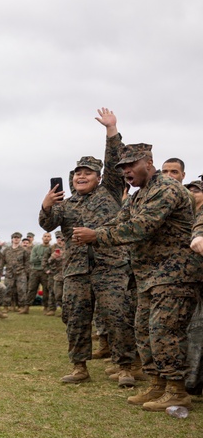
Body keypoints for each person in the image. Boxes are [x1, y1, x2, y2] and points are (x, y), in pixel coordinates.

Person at [76, 142, 200, 410]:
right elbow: (119, 222)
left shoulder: (166, 188)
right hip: (148, 275)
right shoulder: (138, 195)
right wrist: (93, 231)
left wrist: (96, 236)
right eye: (122, 167)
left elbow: (141, 227)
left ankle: (177, 390)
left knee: (165, 331)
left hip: (175, 273)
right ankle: (157, 386)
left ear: (148, 162)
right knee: (144, 331)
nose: (126, 171)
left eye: (131, 165)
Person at [40, 108, 137, 386]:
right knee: (76, 319)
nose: (81, 177)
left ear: (98, 177)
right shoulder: (65, 203)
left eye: (87, 173)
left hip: (110, 267)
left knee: (118, 317)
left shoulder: (108, 191)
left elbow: (115, 159)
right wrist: (46, 205)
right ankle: (79, 367)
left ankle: (125, 367)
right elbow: (47, 224)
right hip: (76, 271)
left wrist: (111, 129)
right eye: (77, 174)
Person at [2, 232, 29, 313]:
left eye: (18, 237)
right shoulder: (6, 250)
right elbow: (2, 261)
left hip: (20, 272)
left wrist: (27, 272)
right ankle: (6, 306)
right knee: (7, 289)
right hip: (9, 273)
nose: (16, 239)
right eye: (14, 237)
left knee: (21, 290)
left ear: (20, 239)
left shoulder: (23, 250)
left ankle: (21, 306)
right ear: (12, 239)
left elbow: (27, 262)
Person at [27, 233, 53, 314]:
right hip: (35, 270)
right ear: (42, 238)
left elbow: (52, 261)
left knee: (46, 290)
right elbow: (32, 260)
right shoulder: (36, 247)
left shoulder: (52, 248)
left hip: (46, 272)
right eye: (45, 236)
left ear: (50, 239)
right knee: (31, 289)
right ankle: (26, 307)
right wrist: (45, 259)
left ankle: (46, 307)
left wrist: (39, 258)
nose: (46, 238)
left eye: (48, 237)